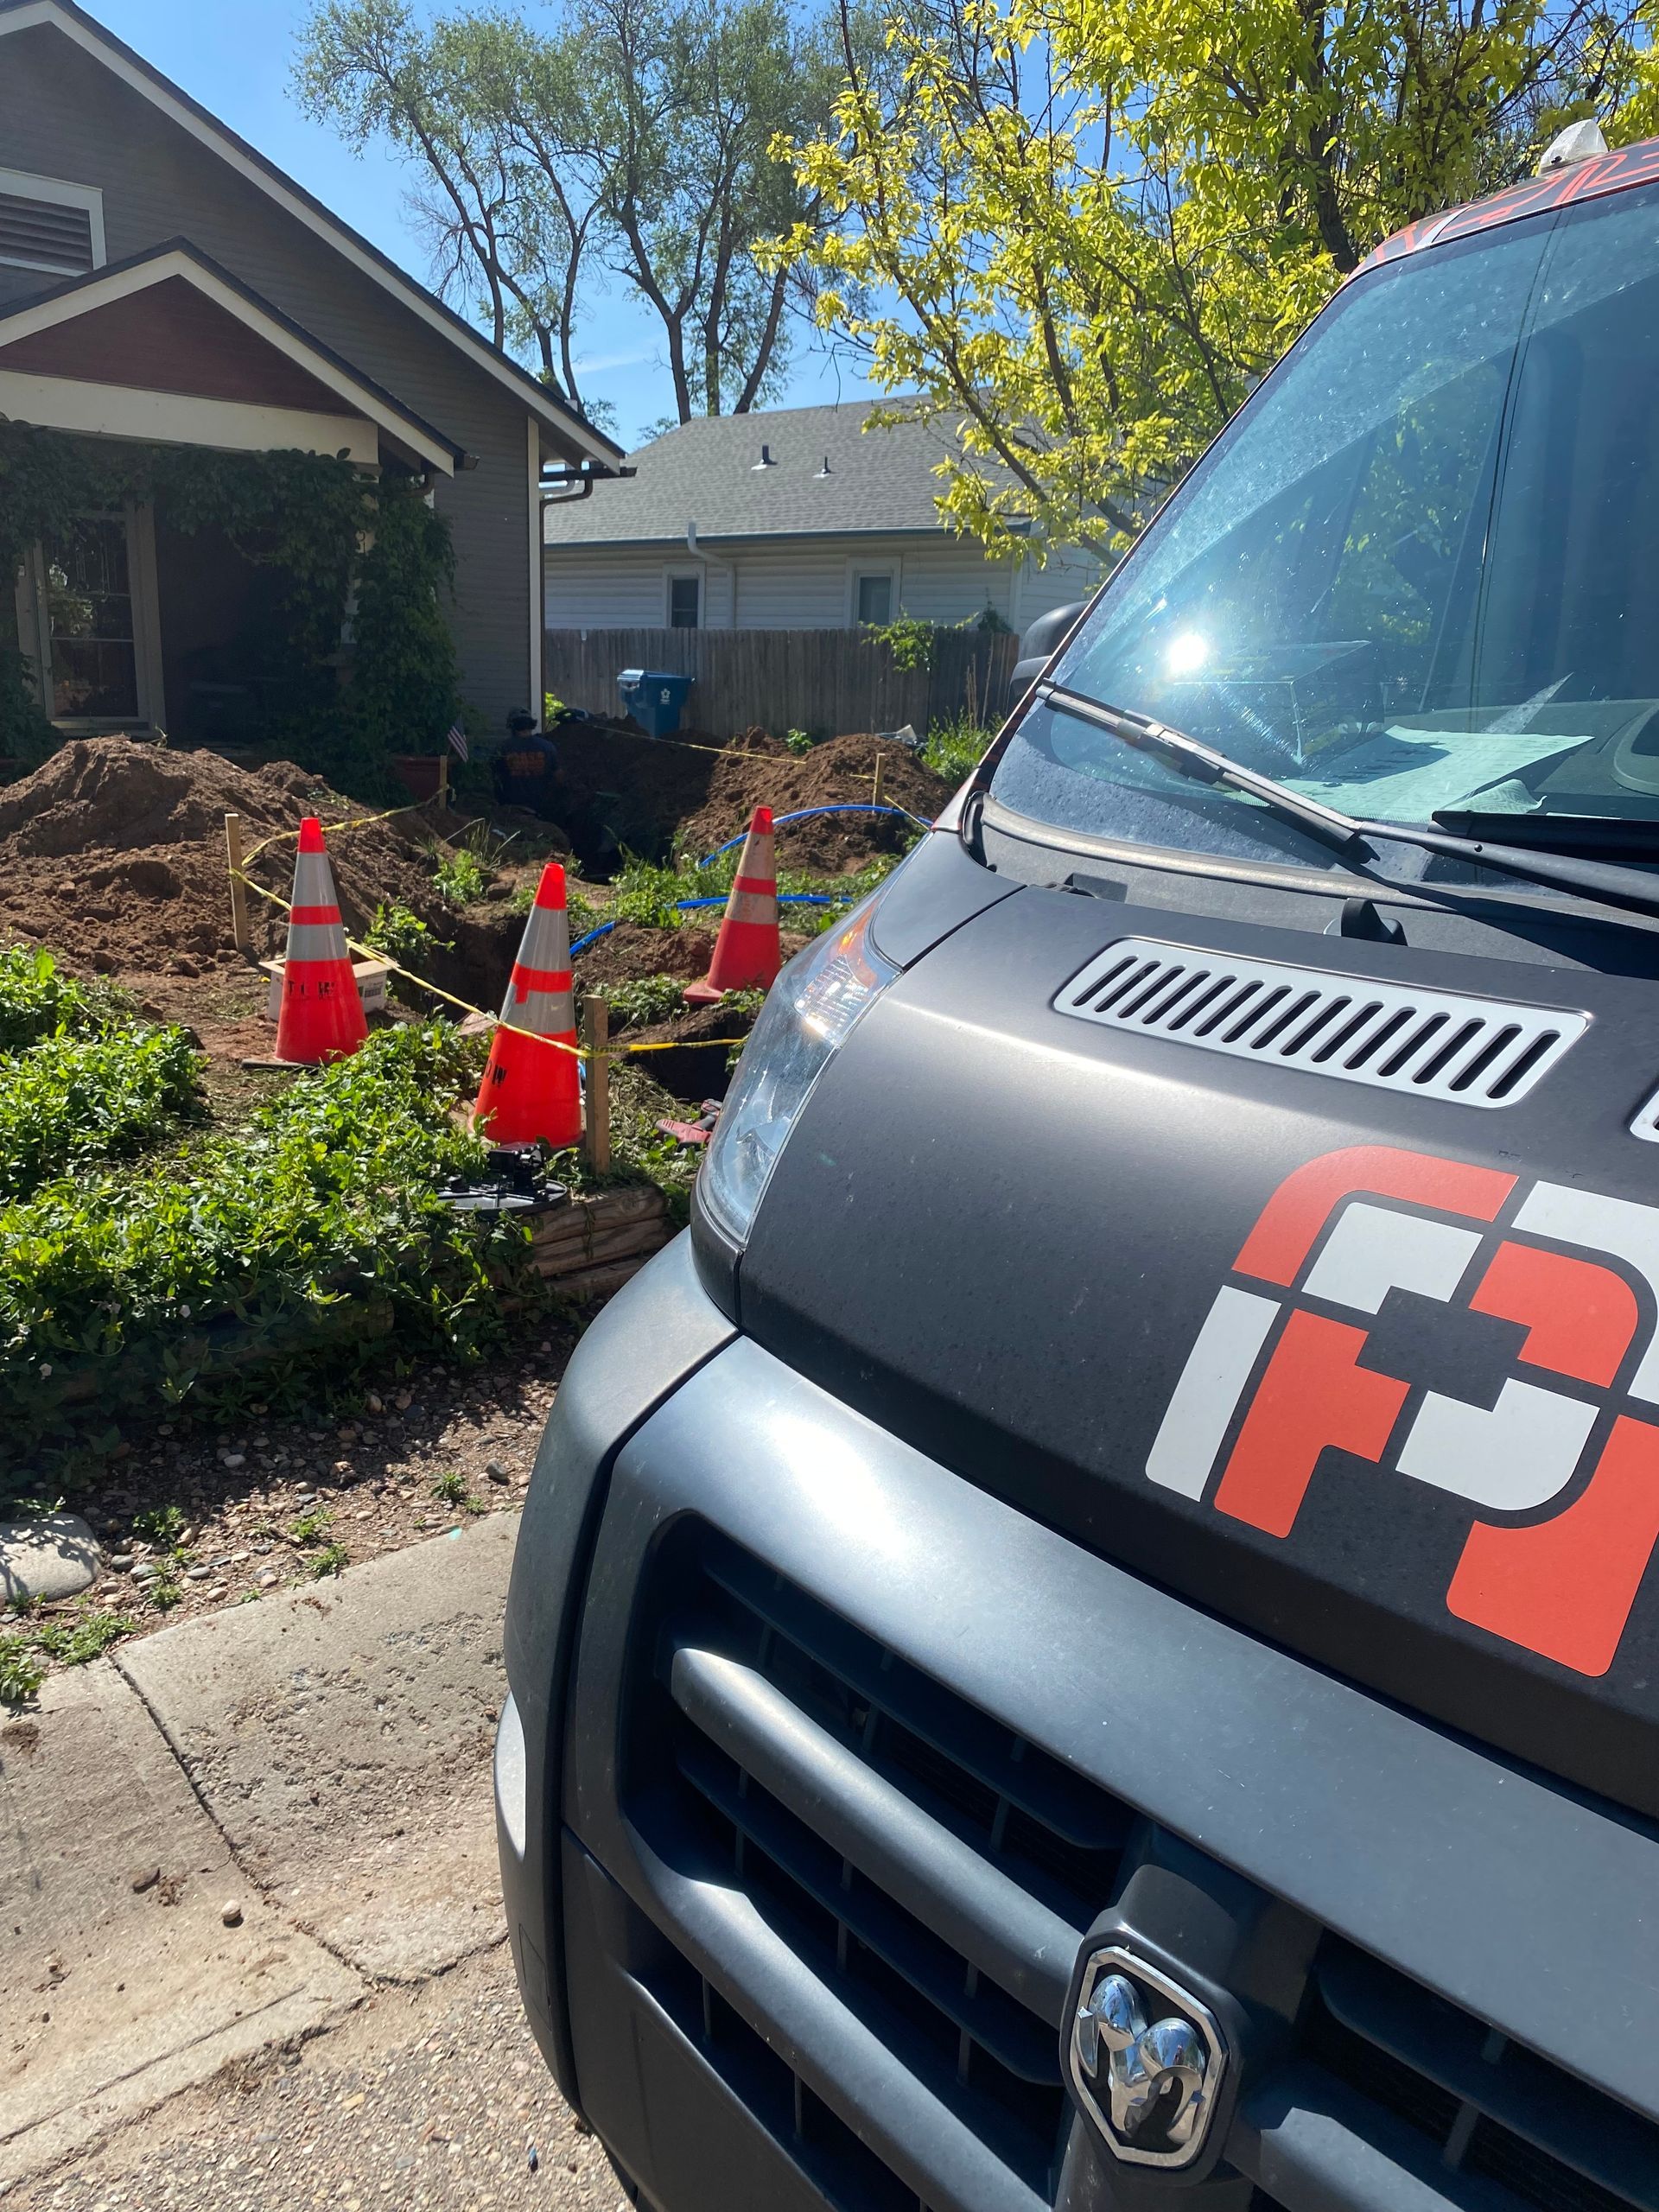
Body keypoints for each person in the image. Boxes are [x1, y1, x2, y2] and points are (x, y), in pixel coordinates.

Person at [492, 708, 560, 814]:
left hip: (511, 809)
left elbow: (494, 777)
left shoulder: (503, 748)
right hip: (542, 810)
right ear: (531, 725)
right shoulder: (548, 747)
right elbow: (558, 776)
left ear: (512, 726)